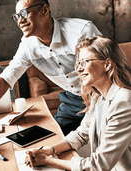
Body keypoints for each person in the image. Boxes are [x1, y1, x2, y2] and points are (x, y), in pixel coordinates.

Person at [0, 0, 101, 135]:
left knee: (105, 140)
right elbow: (6, 78)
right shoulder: (27, 46)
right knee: (53, 138)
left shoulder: (81, 31)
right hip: (73, 99)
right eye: (17, 16)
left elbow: (108, 69)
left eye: (24, 13)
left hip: (101, 94)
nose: (20, 21)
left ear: (45, 10)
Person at [25, 35, 131, 171]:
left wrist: (48, 161)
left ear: (107, 64)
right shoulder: (98, 96)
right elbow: (81, 135)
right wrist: (49, 150)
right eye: (79, 63)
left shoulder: (124, 101)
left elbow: (99, 165)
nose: (79, 69)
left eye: (85, 62)